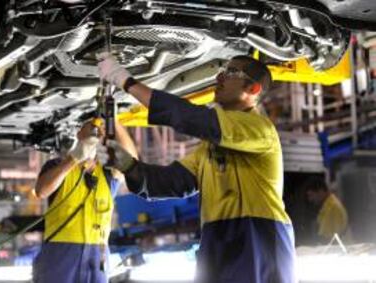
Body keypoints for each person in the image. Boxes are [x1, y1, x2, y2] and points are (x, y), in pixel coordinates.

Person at [97, 53, 297, 283]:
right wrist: (126, 164)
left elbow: (192, 118)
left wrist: (126, 81)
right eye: (221, 71)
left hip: (257, 237)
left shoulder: (260, 129)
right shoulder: (208, 150)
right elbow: (169, 182)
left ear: (253, 89)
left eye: (231, 73)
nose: (219, 78)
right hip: (217, 239)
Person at [33, 119, 137, 283]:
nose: (95, 133)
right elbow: (42, 190)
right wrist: (73, 159)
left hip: (98, 256)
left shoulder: (108, 175)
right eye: (90, 129)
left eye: (98, 132)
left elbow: (131, 162)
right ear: (79, 134)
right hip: (61, 255)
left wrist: (113, 120)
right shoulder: (58, 166)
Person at [305, 177, 348, 242]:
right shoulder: (329, 204)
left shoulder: (331, 207)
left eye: (311, 195)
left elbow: (325, 239)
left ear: (321, 191)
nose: (310, 199)